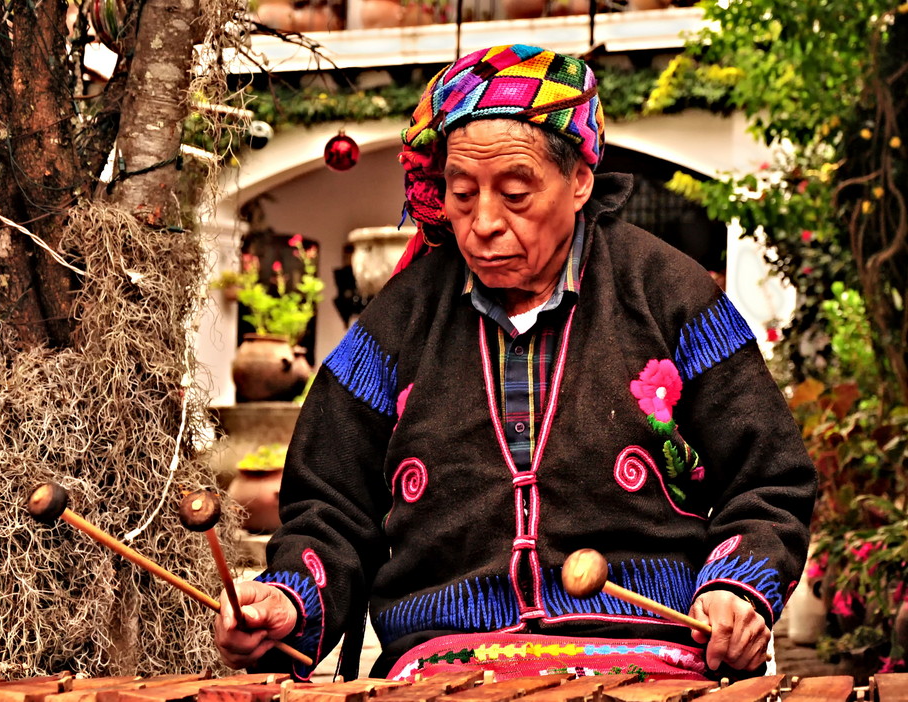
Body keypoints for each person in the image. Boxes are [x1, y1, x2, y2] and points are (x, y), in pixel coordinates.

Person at [214, 44, 816, 682]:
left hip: (651, 658)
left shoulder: (669, 293)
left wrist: (737, 588)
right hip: (439, 665)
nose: (484, 223)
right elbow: (330, 506)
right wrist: (288, 599)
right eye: (462, 193)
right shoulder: (400, 320)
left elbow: (769, 479)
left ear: (580, 180)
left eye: (516, 192)